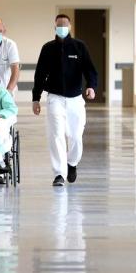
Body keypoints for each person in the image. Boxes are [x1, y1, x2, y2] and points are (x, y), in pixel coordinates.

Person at [32, 14, 98, 187]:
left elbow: (90, 70)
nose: (61, 28)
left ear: (69, 27)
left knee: (76, 136)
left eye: (64, 25)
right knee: (56, 136)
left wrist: (91, 86)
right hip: (55, 98)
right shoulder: (48, 48)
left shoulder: (79, 47)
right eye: (58, 25)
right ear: (55, 28)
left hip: (75, 99)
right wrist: (35, 98)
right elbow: (39, 75)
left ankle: (72, 163)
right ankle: (59, 174)